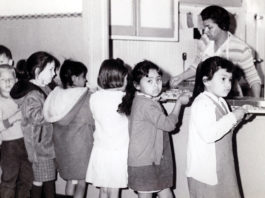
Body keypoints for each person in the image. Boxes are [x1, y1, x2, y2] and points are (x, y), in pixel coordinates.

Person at [118, 60, 191, 198]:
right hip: (146, 163)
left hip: (148, 161)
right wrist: (179, 103)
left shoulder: (141, 100)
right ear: (136, 85)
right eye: (149, 81)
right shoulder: (147, 105)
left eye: (158, 80)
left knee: (166, 193)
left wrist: (156, 99)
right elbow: (169, 125)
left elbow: (149, 111)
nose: (156, 85)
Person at [186, 56, 249, 198]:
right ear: (206, 81)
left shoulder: (220, 101)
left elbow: (223, 129)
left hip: (222, 167)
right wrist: (233, 117)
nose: (228, 84)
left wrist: (238, 118)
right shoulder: (202, 103)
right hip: (206, 172)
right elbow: (209, 135)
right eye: (223, 79)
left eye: (230, 80)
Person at [170, 5, 261, 98]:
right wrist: (180, 77)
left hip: (230, 97)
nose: (205, 31)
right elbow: (196, 66)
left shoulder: (241, 49)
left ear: (223, 26)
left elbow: (253, 79)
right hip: (205, 96)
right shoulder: (204, 41)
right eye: (204, 27)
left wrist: (256, 102)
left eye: (209, 27)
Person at [43, 59, 94, 198]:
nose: (86, 80)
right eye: (84, 76)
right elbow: (91, 120)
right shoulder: (84, 97)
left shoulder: (55, 95)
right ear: (75, 78)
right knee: (82, 183)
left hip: (63, 149)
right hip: (81, 148)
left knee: (71, 180)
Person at [10, 51, 58, 198]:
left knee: (46, 179)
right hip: (39, 148)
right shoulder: (32, 94)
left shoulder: (45, 88)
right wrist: (54, 112)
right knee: (41, 181)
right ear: (37, 71)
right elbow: (35, 117)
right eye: (50, 70)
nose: (54, 74)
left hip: (46, 145)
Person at [86, 58, 129, 198]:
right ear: (119, 79)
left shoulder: (94, 98)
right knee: (114, 191)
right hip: (118, 152)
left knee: (103, 190)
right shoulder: (124, 98)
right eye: (126, 78)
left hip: (100, 150)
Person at [0, 64, 33, 198]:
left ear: (16, 80)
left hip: (26, 143)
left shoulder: (23, 98)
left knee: (26, 180)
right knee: (9, 181)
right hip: (9, 146)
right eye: (2, 79)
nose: (8, 82)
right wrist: (13, 118)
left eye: (10, 79)